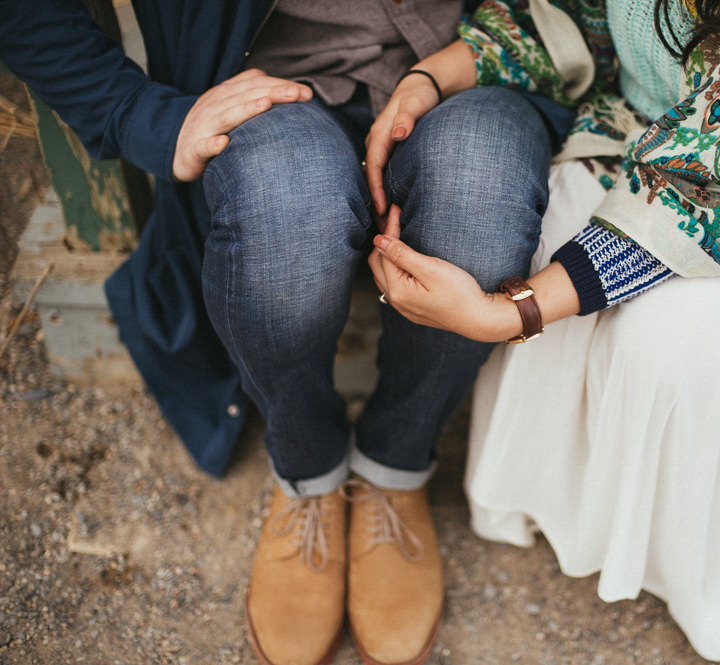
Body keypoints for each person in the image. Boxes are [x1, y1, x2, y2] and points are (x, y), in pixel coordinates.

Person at [364, 0, 720, 663]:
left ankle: (703, 557)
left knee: (680, 342)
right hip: (646, 135)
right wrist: (429, 79)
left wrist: (513, 312)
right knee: (533, 233)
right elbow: (583, 21)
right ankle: (587, 516)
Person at [0, 2, 574, 665]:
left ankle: (395, 461)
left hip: (483, 58)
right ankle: (308, 468)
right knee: (285, 205)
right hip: (271, 71)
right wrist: (138, 112)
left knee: (481, 198)